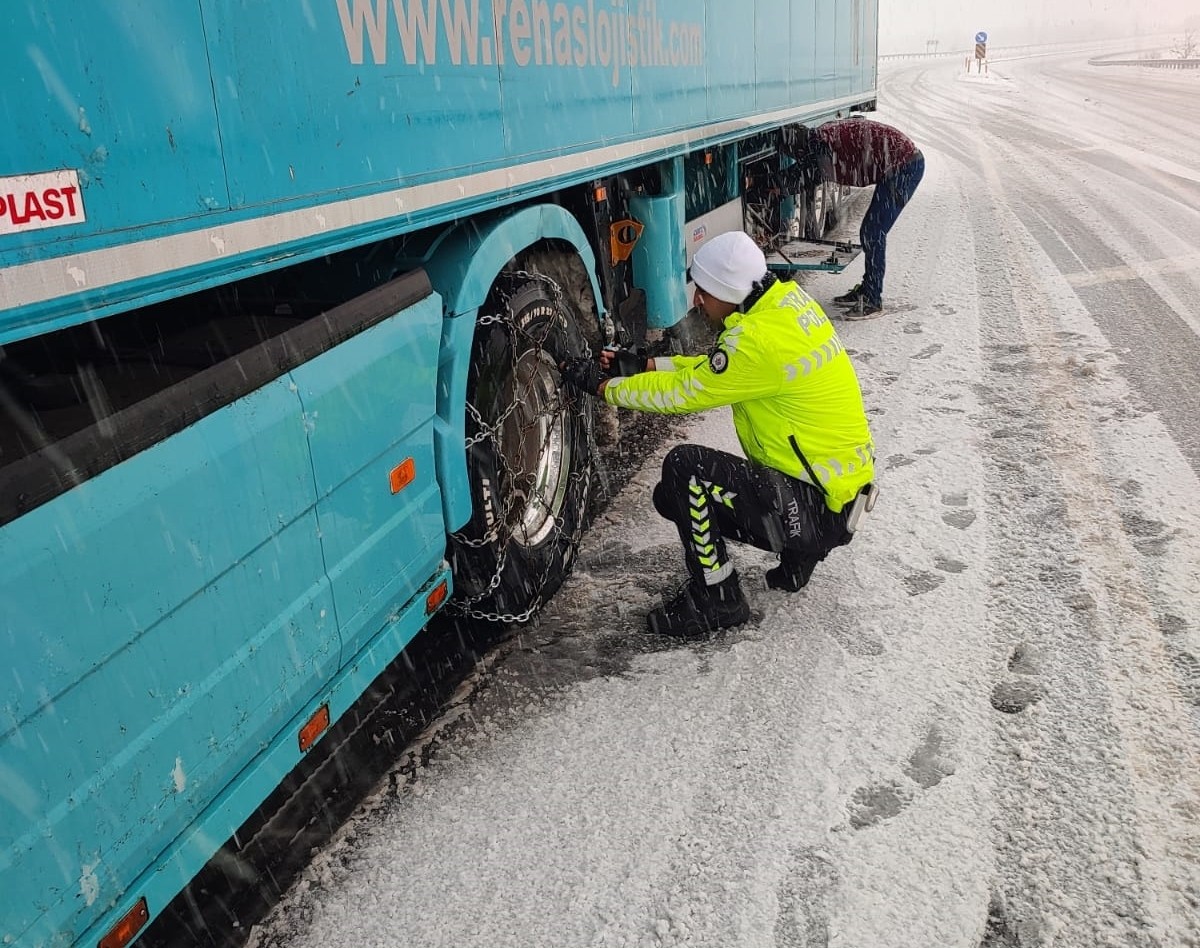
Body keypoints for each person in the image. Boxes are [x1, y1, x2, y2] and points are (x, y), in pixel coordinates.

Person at [559, 231, 877, 639]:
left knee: (683, 472)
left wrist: (605, 388)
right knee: (674, 494)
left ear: (728, 290)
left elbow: (688, 392)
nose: (696, 301)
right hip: (838, 498)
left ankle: (719, 598)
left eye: (704, 291)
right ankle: (801, 555)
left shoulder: (756, 342)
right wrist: (646, 366)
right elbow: (715, 369)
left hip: (812, 509)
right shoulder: (783, 307)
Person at [786, 118, 924, 319]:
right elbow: (808, 173)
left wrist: (775, 185)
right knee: (870, 231)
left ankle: (872, 299)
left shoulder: (827, 150)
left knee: (873, 231)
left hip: (905, 168)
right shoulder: (819, 139)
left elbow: (809, 175)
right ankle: (868, 288)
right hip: (895, 163)